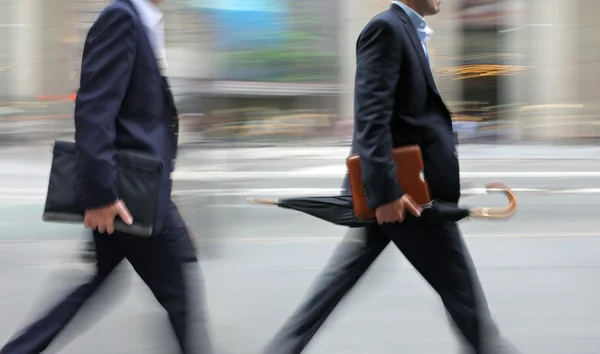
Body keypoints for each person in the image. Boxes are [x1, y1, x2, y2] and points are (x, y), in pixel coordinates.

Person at [263, 1, 518, 353]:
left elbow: (407, 119)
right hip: (405, 197)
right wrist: (385, 195)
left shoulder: (407, 31)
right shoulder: (386, 28)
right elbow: (371, 119)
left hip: (404, 190)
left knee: (337, 283)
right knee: (464, 298)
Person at [0, 0, 213, 353]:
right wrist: (99, 196)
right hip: (125, 197)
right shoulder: (121, 17)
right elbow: (94, 110)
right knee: (181, 300)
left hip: (136, 191)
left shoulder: (144, 21)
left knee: (95, 284)